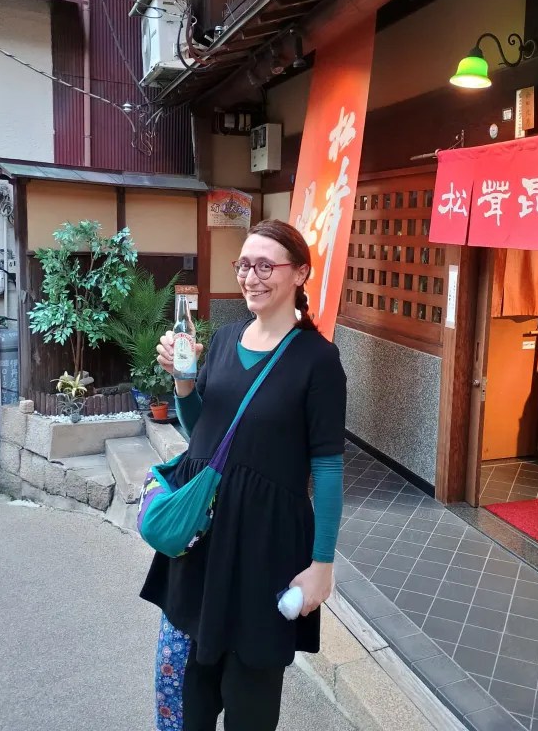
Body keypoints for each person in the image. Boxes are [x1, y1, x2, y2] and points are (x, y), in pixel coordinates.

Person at [140, 219, 347, 731]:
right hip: (204, 539)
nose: (251, 277)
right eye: (244, 265)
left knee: (250, 696)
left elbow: (327, 469)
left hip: (264, 546)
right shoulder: (225, 338)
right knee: (190, 694)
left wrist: (322, 565)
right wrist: (184, 385)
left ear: (300, 273)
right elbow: (201, 432)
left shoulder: (319, 360)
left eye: (265, 266)